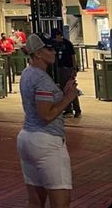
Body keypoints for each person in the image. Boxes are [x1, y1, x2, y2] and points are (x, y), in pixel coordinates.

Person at [17, 33, 79, 208]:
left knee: (35, 201)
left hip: (27, 138)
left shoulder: (27, 73)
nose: (54, 52)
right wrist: (68, 98)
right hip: (47, 142)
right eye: (49, 49)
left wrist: (61, 93)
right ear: (38, 53)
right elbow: (46, 115)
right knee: (61, 201)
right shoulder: (42, 78)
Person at [51, 29, 81, 118]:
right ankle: (68, 109)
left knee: (70, 88)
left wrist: (74, 69)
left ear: (59, 35)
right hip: (60, 69)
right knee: (63, 90)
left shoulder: (67, 44)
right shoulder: (55, 45)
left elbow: (73, 56)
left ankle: (77, 109)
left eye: (55, 37)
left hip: (68, 68)